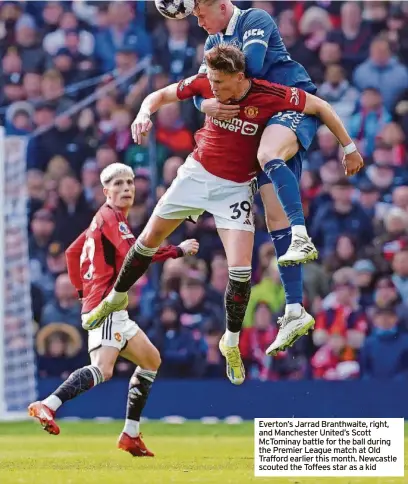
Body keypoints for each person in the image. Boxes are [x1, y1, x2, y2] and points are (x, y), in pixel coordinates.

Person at [82, 44, 363, 372]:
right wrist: (144, 114)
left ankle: (230, 341)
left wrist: (350, 147)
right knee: (147, 241)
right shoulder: (204, 84)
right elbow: (157, 96)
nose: (212, 89)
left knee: (240, 271)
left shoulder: (270, 94)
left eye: (220, 82)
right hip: (196, 175)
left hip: (236, 189)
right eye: (211, 81)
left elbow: (320, 106)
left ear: (239, 77)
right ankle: (115, 298)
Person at [28, 162, 199, 457]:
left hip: (107, 304)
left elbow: (72, 254)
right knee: (104, 369)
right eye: (118, 184)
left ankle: (130, 434)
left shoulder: (101, 219)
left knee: (150, 360)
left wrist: (83, 292)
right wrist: (177, 250)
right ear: (105, 191)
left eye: (129, 183)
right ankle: (48, 404)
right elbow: (136, 253)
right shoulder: (112, 218)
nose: (126, 189)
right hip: (107, 304)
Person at [191, 0, 333, 338]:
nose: (198, 22)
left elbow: (248, 70)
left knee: (269, 155)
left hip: (290, 101)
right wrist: (206, 101)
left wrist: (349, 147)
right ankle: (295, 309)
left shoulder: (255, 19)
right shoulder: (213, 43)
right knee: (273, 216)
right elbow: (199, 92)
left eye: (200, 13)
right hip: (263, 118)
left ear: (221, 6)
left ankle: (301, 235)